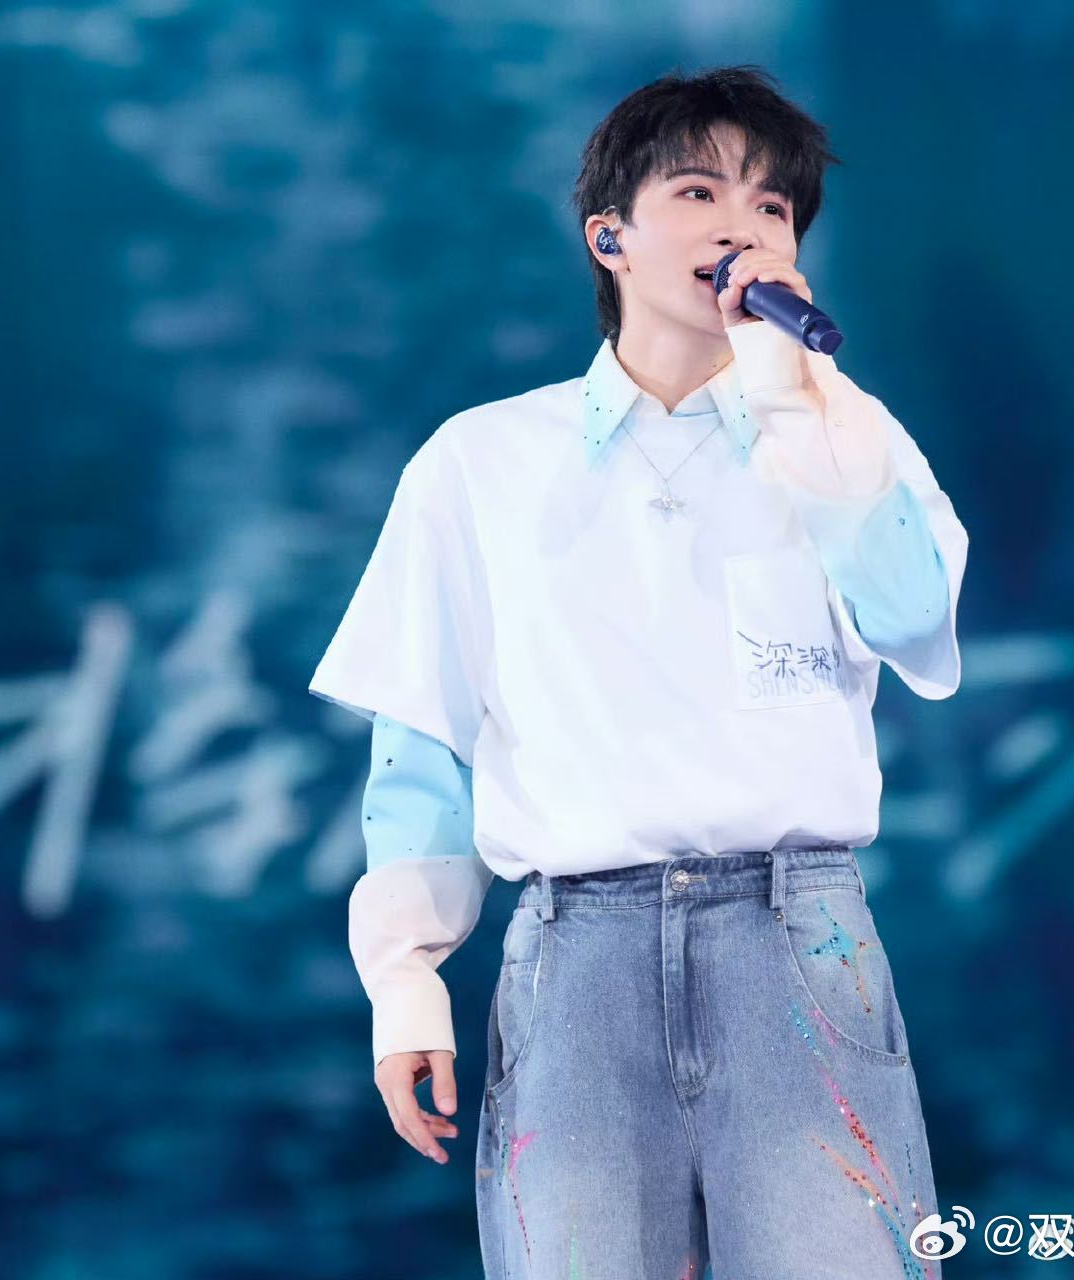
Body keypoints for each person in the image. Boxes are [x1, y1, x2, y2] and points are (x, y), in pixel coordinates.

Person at [308, 63, 967, 1278]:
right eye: (699, 192)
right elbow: (424, 745)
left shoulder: (837, 431)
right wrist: (404, 980)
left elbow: (914, 615)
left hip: (795, 932)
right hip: (578, 952)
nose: (739, 228)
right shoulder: (481, 460)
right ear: (607, 235)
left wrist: (798, 402)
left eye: (771, 207)